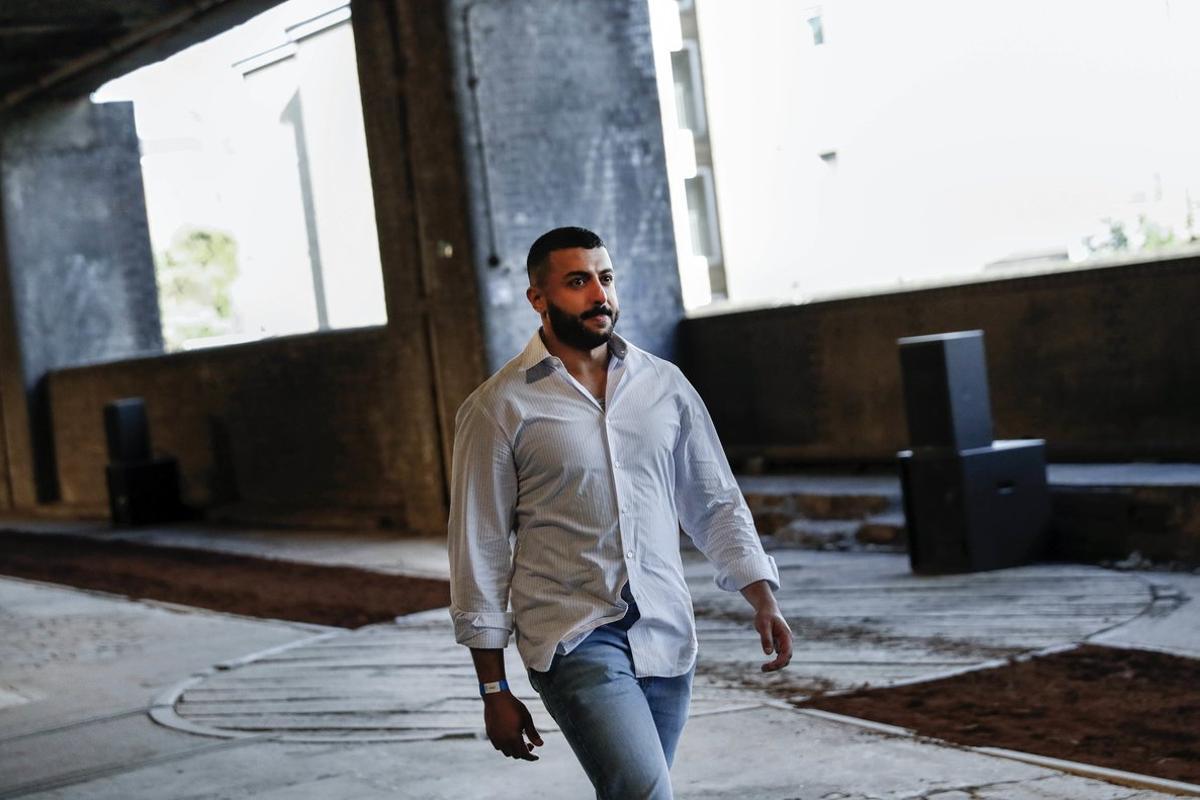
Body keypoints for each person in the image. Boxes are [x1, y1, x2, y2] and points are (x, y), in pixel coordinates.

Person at [448, 226, 792, 799]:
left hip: (665, 629)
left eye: (604, 278)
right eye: (577, 281)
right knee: (643, 790)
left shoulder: (665, 386)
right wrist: (493, 689)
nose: (598, 295)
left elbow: (713, 499)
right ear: (538, 298)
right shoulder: (498, 407)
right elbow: (479, 546)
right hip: (574, 635)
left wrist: (762, 595)